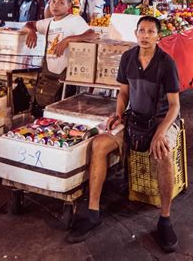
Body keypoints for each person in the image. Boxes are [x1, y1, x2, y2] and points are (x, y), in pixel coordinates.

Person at [67, 16, 181, 253]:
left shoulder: (166, 63)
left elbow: (175, 106)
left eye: (151, 31)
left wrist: (161, 133)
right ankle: (94, 211)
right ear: (136, 33)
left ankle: (165, 219)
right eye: (142, 31)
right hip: (134, 119)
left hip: (162, 121)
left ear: (158, 36)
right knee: (98, 144)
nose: (145, 35)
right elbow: (123, 93)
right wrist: (118, 115)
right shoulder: (128, 58)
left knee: (164, 154)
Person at [23, 0, 96, 108]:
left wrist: (68, 39)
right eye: (53, 1)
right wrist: (31, 31)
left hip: (66, 79)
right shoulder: (48, 23)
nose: (55, 5)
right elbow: (28, 24)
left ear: (69, 5)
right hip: (49, 77)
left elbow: (91, 34)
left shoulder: (75, 20)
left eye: (61, 2)